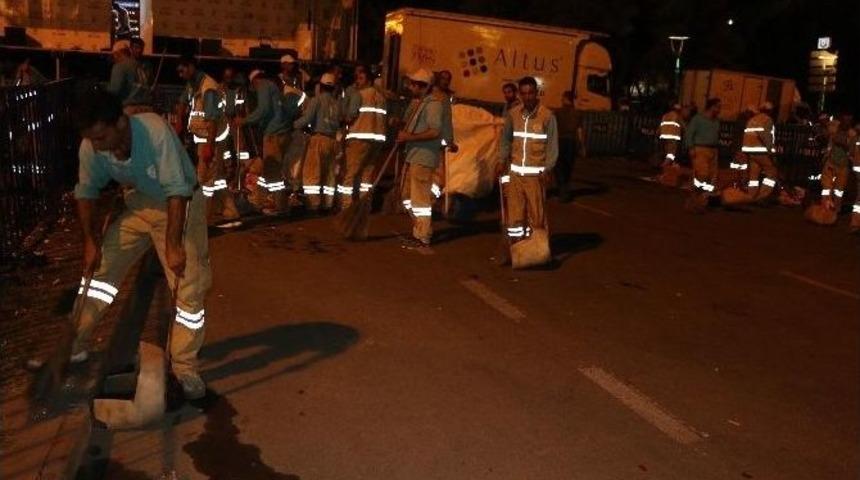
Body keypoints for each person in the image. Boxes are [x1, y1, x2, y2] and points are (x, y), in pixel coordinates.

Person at [70, 89, 210, 400]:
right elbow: (86, 191)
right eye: (92, 140)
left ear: (120, 123)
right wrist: (90, 242)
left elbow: (177, 190)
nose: (98, 146)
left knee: (188, 284)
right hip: (138, 204)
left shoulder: (154, 132)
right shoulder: (91, 146)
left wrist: (174, 245)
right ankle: (74, 345)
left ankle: (184, 367)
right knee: (100, 271)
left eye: (102, 138)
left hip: (180, 203)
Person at [177, 56, 240, 228]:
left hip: (210, 139)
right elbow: (183, 101)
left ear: (190, 67)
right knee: (217, 178)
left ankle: (201, 219)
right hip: (204, 138)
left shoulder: (208, 88)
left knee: (204, 180)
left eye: (182, 70)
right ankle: (230, 210)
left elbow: (212, 120)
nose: (180, 75)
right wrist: (180, 121)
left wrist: (209, 147)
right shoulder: (193, 84)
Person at [499, 76, 558, 244]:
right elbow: (505, 140)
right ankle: (516, 246)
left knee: (536, 216)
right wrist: (502, 159)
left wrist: (548, 168)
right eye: (523, 93)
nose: (527, 97)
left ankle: (537, 246)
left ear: (536, 93)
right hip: (515, 174)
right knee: (515, 215)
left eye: (530, 93)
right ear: (520, 94)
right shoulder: (513, 115)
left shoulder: (547, 116)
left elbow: (552, 146)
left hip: (535, 177)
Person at [397, 69, 443, 247]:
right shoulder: (420, 103)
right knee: (406, 195)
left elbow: (434, 130)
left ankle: (423, 234)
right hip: (413, 155)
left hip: (423, 157)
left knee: (420, 200)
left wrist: (409, 137)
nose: (410, 87)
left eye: (414, 84)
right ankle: (421, 228)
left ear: (422, 86)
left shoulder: (433, 105)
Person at [242, 70, 290, 215]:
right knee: (271, 170)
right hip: (282, 132)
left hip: (273, 133)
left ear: (254, 81)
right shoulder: (273, 86)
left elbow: (263, 109)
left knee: (272, 172)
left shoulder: (262, 85)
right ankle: (261, 200)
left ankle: (279, 206)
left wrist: (244, 120)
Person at [339, 67, 387, 209]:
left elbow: (350, 116)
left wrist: (343, 119)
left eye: (360, 78)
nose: (357, 82)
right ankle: (364, 204)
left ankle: (347, 206)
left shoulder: (359, 95)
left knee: (350, 174)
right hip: (376, 140)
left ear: (369, 80)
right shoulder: (381, 97)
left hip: (359, 138)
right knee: (367, 175)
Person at [294, 72, 342, 212]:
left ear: (320, 86)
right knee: (330, 175)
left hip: (318, 139)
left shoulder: (317, 100)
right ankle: (328, 204)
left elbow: (307, 119)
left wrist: (292, 124)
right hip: (333, 141)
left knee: (312, 173)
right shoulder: (337, 103)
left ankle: (313, 204)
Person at [684, 97, 722, 212]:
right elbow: (689, 133)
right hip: (700, 149)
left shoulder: (716, 121)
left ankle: (701, 202)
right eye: (718, 107)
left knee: (711, 178)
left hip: (713, 150)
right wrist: (691, 148)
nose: (719, 109)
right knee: (702, 175)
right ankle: (694, 198)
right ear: (712, 107)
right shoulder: (698, 119)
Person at [817, 112, 855, 213]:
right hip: (831, 162)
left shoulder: (852, 134)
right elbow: (826, 130)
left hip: (843, 165)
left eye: (848, 120)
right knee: (826, 187)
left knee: (839, 190)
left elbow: (852, 149)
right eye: (845, 120)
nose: (846, 122)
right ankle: (825, 208)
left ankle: (835, 210)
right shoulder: (834, 128)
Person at [742, 102, 779, 203]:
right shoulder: (767, 119)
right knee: (772, 174)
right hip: (761, 151)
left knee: (754, 176)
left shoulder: (753, 119)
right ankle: (762, 197)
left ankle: (751, 196)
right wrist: (772, 153)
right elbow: (767, 137)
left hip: (750, 151)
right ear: (770, 111)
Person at [431, 71, 457, 202]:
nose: (446, 82)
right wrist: (450, 141)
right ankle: (429, 200)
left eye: (448, 79)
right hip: (436, 142)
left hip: (423, 141)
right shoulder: (443, 98)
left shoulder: (428, 94)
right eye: (443, 79)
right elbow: (446, 121)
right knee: (438, 177)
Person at [554, 91, 584, 202]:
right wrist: (582, 145)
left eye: (563, 98)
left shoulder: (558, 113)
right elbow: (580, 131)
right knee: (568, 167)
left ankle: (562, 191)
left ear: (566, 98)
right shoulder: (577, 113)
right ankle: (565, 189)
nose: (561, 100)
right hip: (571, 142)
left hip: (560, 141)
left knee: (559, 167)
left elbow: (553, 129)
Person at [107, 40, 151, 114]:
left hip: (130, 109)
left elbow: (114, 90)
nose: (114, 58)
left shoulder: (120, 66)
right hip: (147, 109)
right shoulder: (139, 65)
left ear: (118, 53)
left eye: (114, 55)